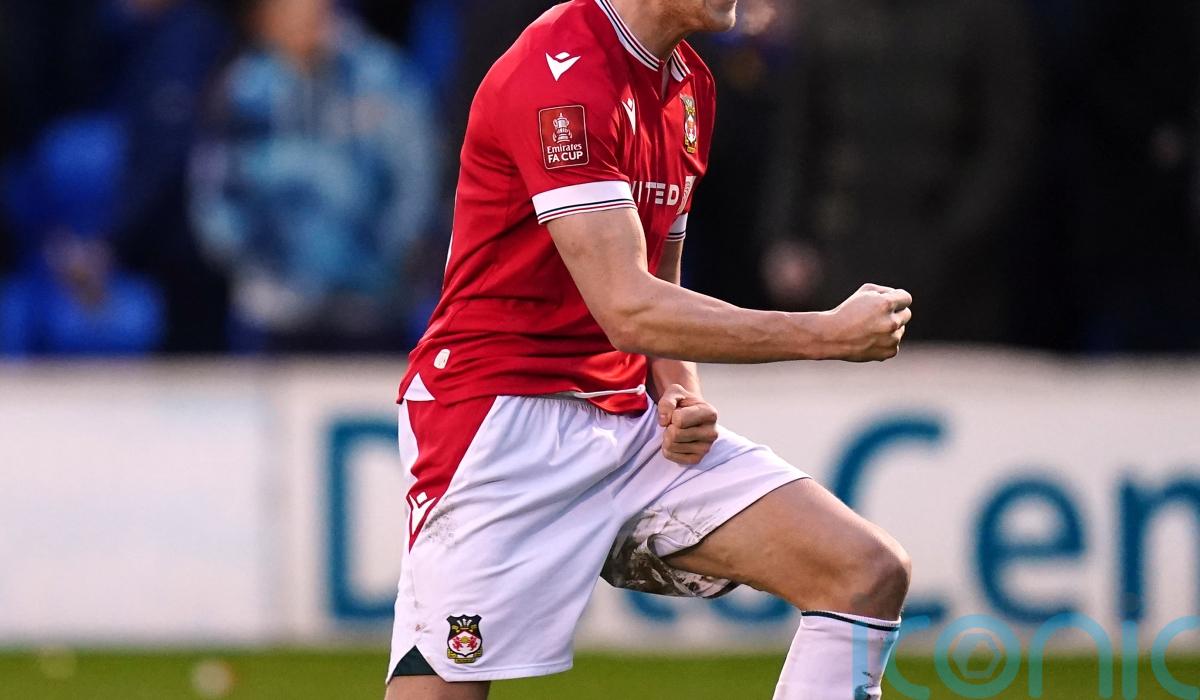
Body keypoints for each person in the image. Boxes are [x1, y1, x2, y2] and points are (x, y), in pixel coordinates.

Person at [386, 2, 913, 699]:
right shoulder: (560, 73)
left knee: (865, 571)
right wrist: (825, 334)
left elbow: (660, 275)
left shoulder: (690, 83)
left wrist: (679, 392)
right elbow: (628, 308)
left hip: (629, 424)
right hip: (500, 424)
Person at [190, 0, 440, 352]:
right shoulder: (244, 90)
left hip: (371, 307)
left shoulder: (383, 78)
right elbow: (216, 193)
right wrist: (254, 266)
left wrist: (385, 263)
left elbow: (417, 183)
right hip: (273, 307)